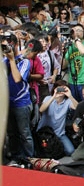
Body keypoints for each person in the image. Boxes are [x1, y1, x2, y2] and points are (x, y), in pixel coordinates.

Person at [4, 32, 35, 160]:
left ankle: (30, 158)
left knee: (25, 133)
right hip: (7, 103)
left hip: (21, 103)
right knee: (12, 133)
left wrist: (11, 60)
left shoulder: (25, 62)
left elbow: (17, 78)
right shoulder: (3, 60)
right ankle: (16, 157)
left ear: (15, 45)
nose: (6, 49)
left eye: (8, 46)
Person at [38, 80, 78, 156]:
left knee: (70, 151)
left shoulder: (68, 101)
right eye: (59, 89)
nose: (61, 91)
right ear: (54, 89)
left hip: (59, 133)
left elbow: (78, 108)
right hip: (45, 133)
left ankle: (57, 147)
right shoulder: (48, 98)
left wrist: (70, 96)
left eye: (63, 89)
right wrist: (53, 97)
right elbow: (41, 109)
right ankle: (56, 148)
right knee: (44, 152)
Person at [63, 23, 84, 101]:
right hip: (72, 81)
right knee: (74, 106)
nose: (77, 32)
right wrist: (63, 51)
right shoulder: (70, 46)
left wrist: (76, 39)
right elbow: (63, 65)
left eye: (79, 30)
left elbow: (83, 51)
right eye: (74, 30)